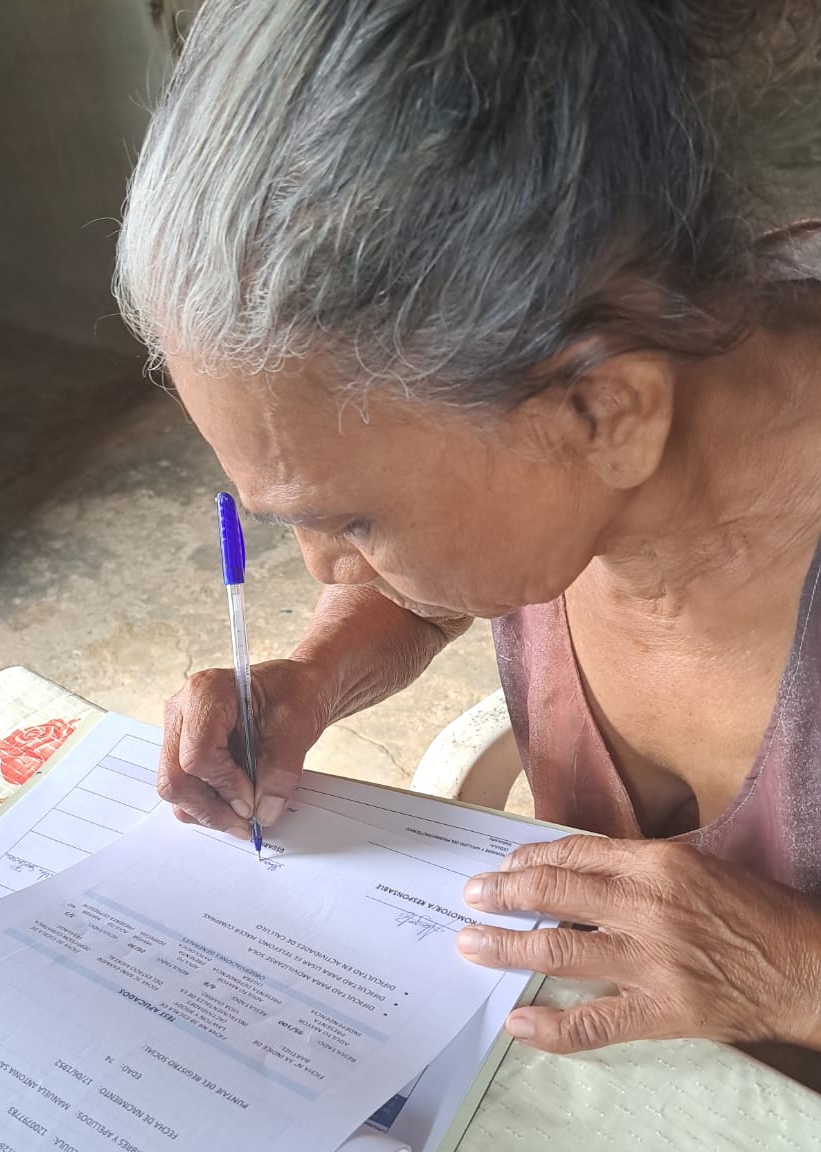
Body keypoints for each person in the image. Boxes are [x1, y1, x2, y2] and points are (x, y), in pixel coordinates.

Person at [113, 0, 821, 1061]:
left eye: (356, 517)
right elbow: (428, 582)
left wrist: (789, 971)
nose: (325, 565)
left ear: (602, 414)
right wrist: (314, 676)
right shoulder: (591, 397)